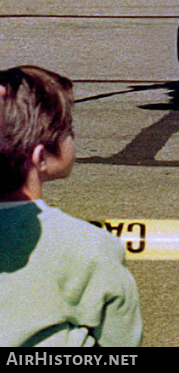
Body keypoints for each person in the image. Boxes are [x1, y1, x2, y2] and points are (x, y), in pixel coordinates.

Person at [0, 65, 142, 347]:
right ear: (40, 157)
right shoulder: (90, 246)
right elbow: (122, 342)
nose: (71, 138)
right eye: (68, 131)